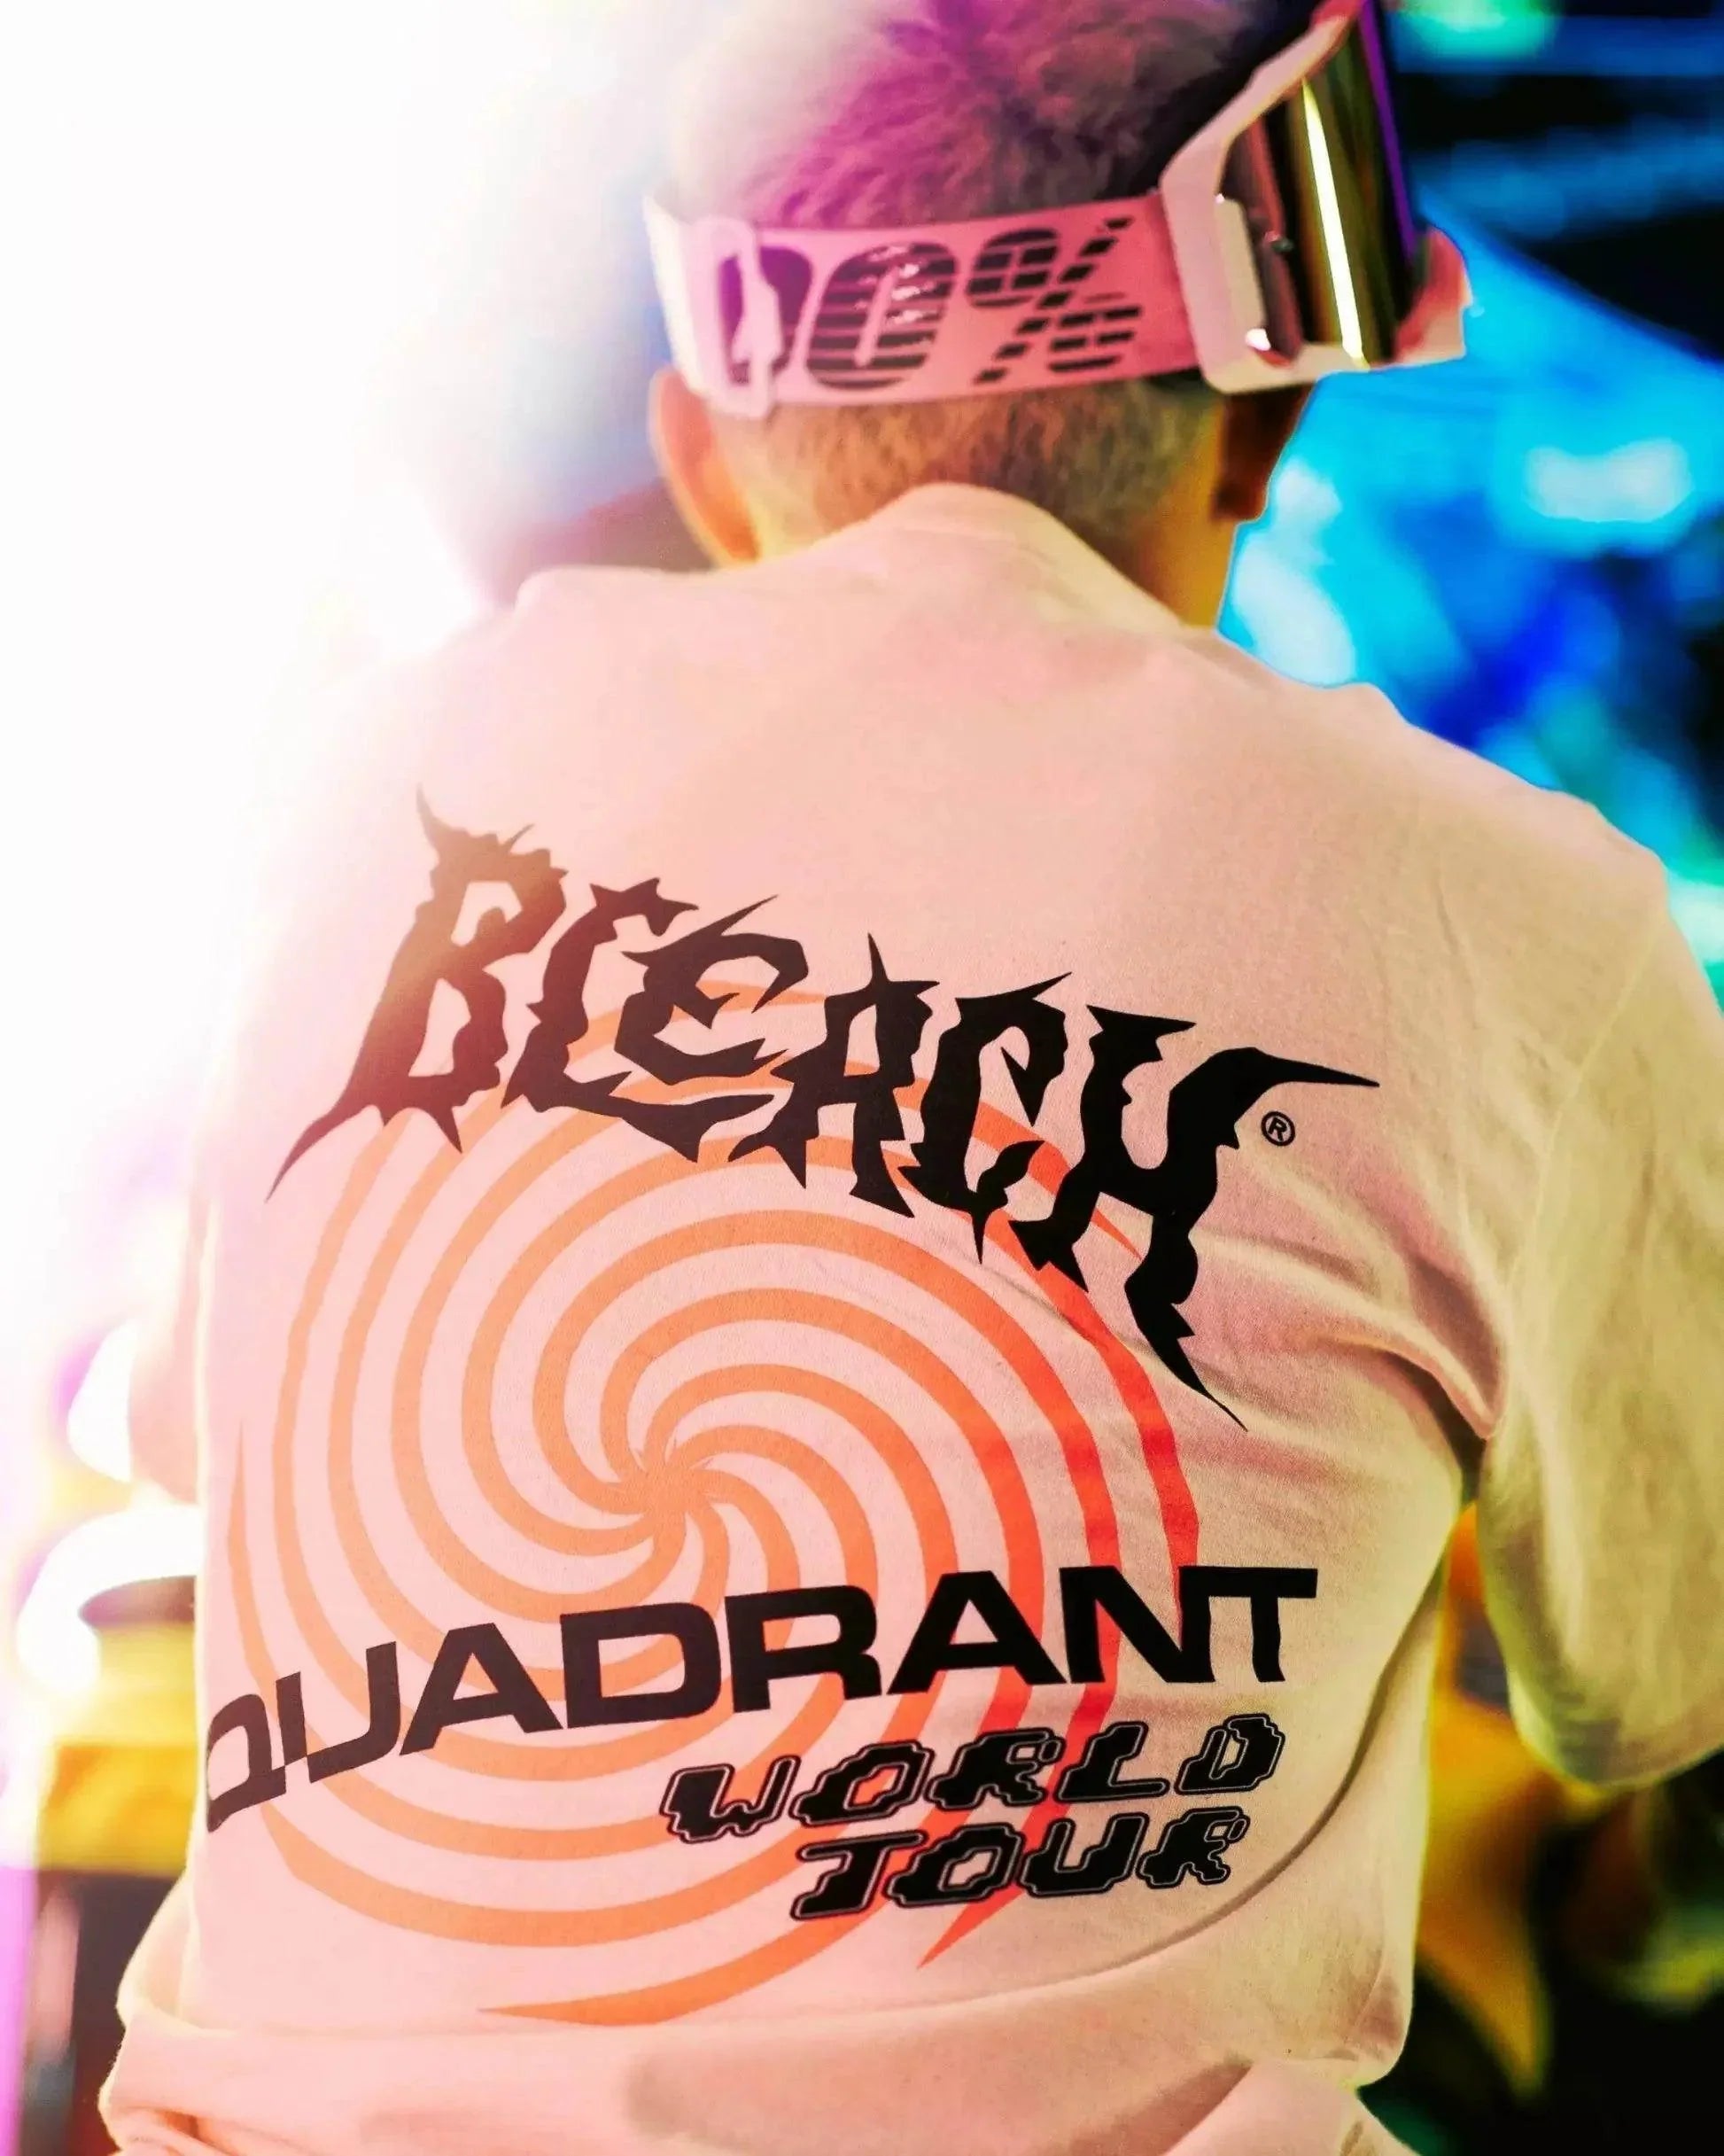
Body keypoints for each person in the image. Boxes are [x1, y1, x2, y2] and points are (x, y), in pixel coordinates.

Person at [104, 4, 1724, 2152]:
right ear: (1260, 430)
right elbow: (1668, 1715)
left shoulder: (338, 798)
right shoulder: (1526, 919)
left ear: (704, 448)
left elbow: (196, 1435)